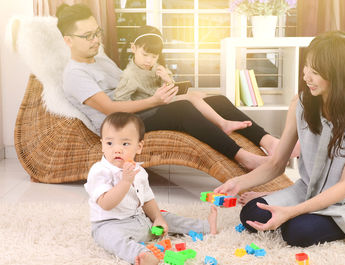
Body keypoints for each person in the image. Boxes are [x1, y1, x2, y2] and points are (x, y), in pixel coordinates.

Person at [57, 3, 300, 171]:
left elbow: (130, 84)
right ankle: (244, 158)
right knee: (183, 110)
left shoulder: (100, 59)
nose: (96, 40)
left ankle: (269, 142)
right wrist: (156, 101)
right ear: (68, 40)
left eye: (97, 33)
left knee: (216, 101)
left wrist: (165, 85)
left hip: (137, 111)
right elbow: (111, 109)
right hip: (119, 126)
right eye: (87, 36)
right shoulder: (75, 74)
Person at [214, 31, 345, 247]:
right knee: (251, 215)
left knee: (297, 232)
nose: (306, 76)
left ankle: (301, 216)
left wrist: (291, 211)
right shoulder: (301, 102)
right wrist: (238, 183)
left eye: (315, 72)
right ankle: (296, 212)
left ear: (339, 74)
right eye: (306, 66)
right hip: (309, 190)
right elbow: (277, 164)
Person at [85, 112, 218, 265]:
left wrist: (158, 218)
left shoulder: (140, 172)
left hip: (139, 219)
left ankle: (206, 227)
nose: (117, 149)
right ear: (102, 145)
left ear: (139, 147)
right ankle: (143, 255)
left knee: (166, 216)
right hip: (110, 224)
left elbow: (147, 199)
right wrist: (125, 182)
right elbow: (106, 203)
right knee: (111, 238)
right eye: (110, 143)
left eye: (125, 144)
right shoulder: (99, 171)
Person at [114, 25, 253, 137]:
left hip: (161, 103)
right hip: (148, 111)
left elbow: (169, 88)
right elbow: (119, 104)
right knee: (191, 97)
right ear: (133, 48)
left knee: (201, 95)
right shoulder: (129, 76)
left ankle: (223, 122)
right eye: (145, 55)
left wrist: (167, 79)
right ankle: (223, 124)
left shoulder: (154, 67)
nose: (149, 60)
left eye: (154, 56)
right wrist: (147, 102)